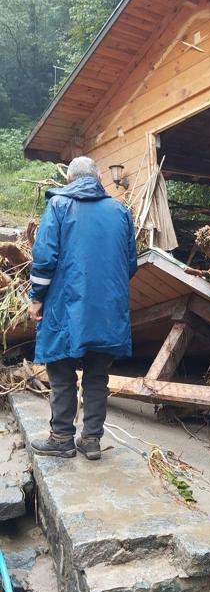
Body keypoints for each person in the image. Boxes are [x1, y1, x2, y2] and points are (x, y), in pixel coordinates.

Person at [28, 156, 137, 461]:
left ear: (69, 179)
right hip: (108, 310)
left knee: (61, 370)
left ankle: (62, 438)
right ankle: (91, 441)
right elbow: (130, 264)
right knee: (97, 375)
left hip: (65, 307)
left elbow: (45, 258)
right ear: (98, 179)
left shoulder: (59, 205)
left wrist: (36, 297)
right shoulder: (120, 211)